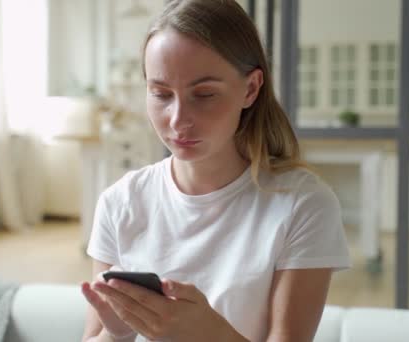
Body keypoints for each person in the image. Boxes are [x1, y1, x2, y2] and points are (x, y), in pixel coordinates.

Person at [80, 0, 351, 341]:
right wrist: (119, 333)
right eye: (161, 94)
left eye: (204, 94)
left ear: (251, 89)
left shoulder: (302, 205)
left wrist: (209, 333)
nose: (178, 119)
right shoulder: (120, 202)